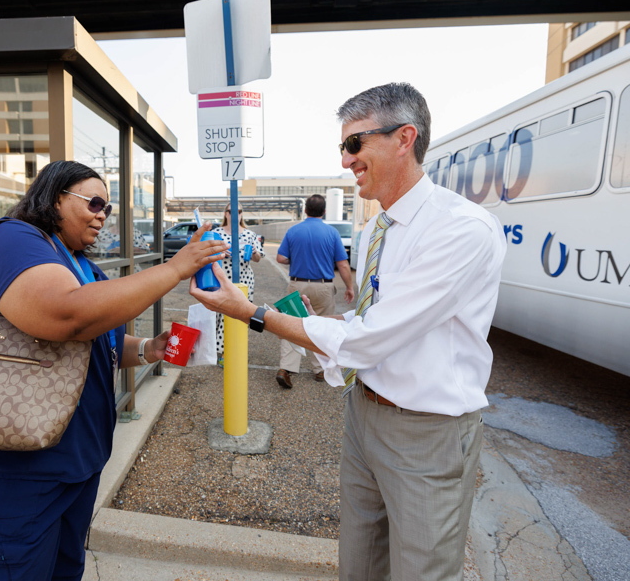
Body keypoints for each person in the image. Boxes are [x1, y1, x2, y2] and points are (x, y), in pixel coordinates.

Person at [191, 82, 507, 581]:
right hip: (365, 413)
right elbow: (367, 321)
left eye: (355, 144)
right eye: (343, 147)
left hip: (426, 431)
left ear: (405, 138)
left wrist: (254, 312)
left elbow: (369, 340)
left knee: (420, 571)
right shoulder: (374, 231)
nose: (346, 160)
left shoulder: (460, 229)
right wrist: (337, 322)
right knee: (358, 564)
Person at [0, 160, 226, 581]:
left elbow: (98, 345)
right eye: (94, 202)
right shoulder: (14, 238)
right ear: (54, 197)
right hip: (1, 481)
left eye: (108, 207)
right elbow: (64, 317)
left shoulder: (77, 263)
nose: (102, 213)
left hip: (69, 469)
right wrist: (174, 268)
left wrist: (151, 348)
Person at [275, 194, 354, 388]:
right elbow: (343, 264)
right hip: (324, 286)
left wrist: (295, 258)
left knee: (291, 323)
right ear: (324, 211)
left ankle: (286, 368)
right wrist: (350, 287)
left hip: (298, 284)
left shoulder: (293, 231)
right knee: (322, 325)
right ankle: (320, 370)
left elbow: (280, 258)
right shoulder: (332, 233)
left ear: (305, 210)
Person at [213, 202, 264, 367]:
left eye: (239, 211)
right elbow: (207, 254)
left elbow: (258, 258)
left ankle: (236, 350)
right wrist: (219, 253)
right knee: (221, 316)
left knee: (243, 315)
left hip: (245, 280)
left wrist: (255, 252)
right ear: (225, 214)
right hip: (223, 279)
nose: (236, 214)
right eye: (231, 211)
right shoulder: (217, 233)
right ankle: (221, 353)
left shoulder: (250, 234)